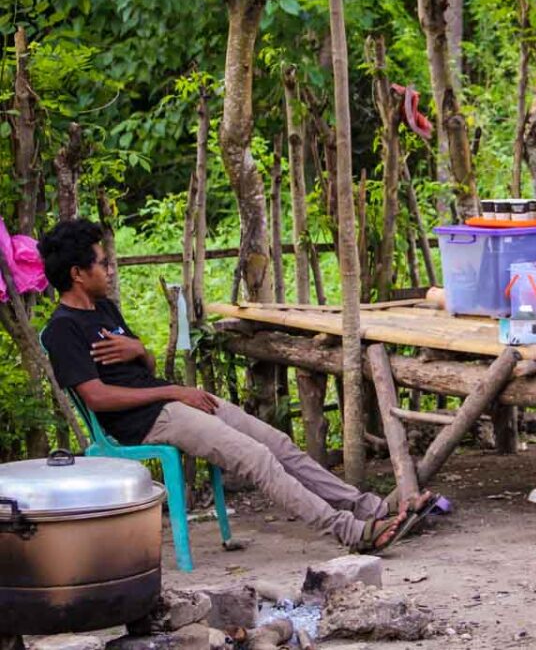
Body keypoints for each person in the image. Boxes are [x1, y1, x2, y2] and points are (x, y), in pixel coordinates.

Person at [38, 219, 432, 553]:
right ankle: (351, 532)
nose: (109, 270)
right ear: (77, 273)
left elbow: (147, 366)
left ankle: (372, 509)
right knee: (256, 459)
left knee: (280, 446)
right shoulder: (63, 330)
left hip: (176, 403)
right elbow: (97, 397)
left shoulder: (104, 309)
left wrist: (139, 350)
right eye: (103, 264)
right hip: (146, 420)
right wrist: (173, 391)